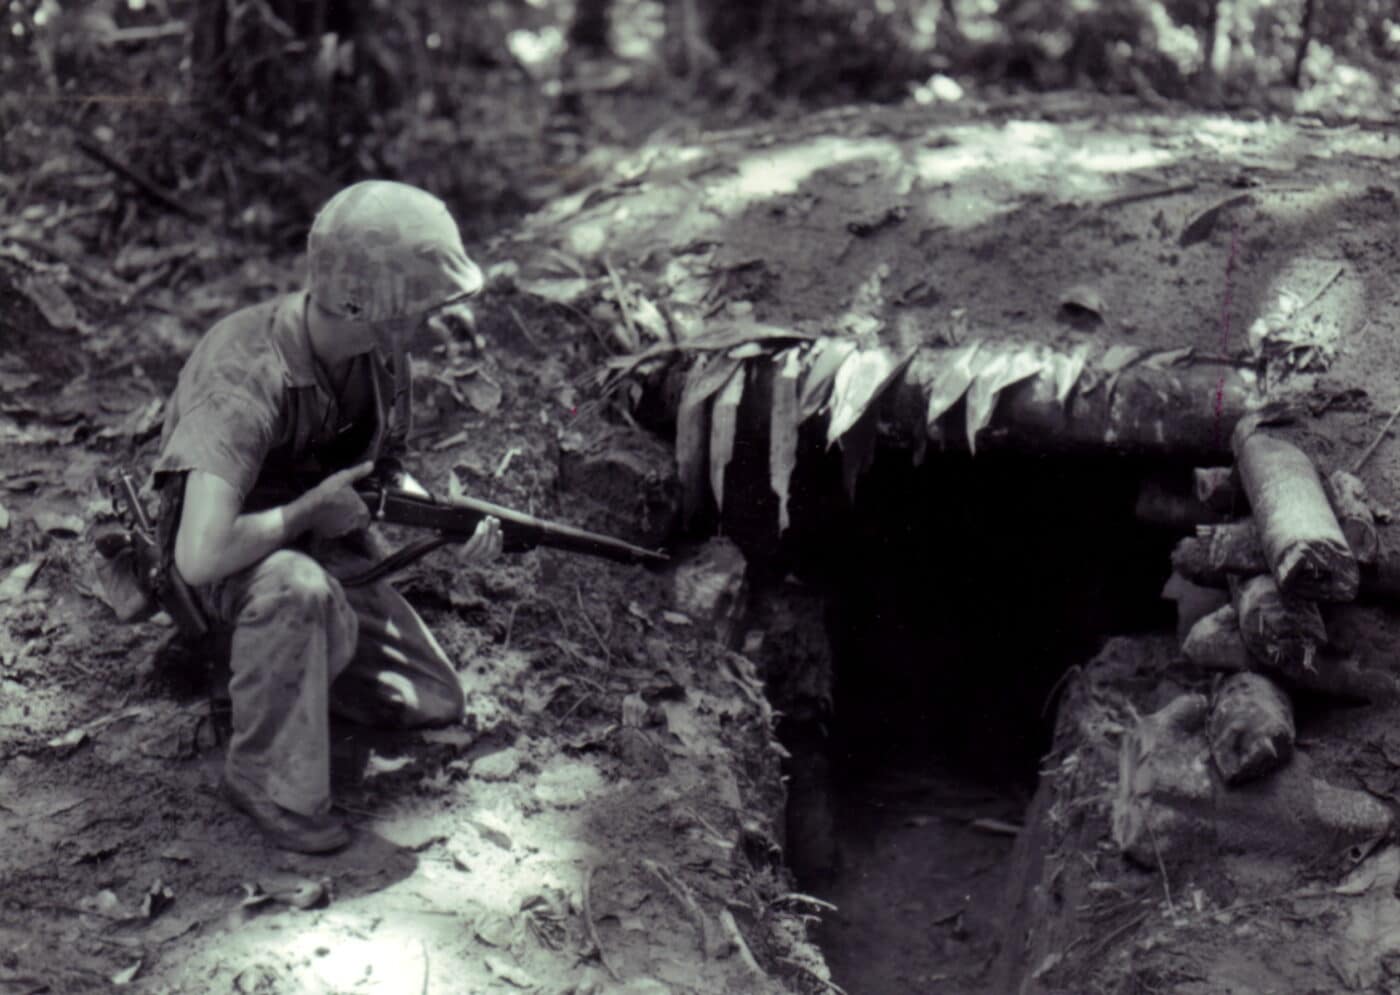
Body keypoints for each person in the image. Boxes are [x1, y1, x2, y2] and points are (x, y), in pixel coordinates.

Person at [151, 180, 503, 853]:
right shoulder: (243, 374)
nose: (441, 319)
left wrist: (446, 525)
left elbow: (383, 470)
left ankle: (277, 669)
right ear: (359, 302)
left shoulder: (381, 358)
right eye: (423, 303)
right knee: (297, 592)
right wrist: (310, 510)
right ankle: (265, 778)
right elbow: (199, 553)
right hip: (233, 567)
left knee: (427, 699)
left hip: (316, 548)